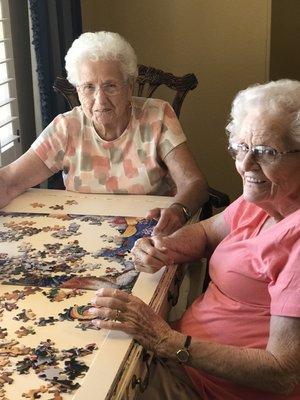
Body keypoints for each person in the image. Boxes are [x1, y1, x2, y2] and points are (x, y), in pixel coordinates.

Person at [89, 79, 300, 399]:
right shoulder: (262, 200)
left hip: (208, 388)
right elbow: (205, 233)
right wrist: (165, 246)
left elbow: (281, 373)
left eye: (266, 152)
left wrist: (166, 341)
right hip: (183, 359)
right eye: (242, 148)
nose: (245, 165)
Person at [0, 31, 208, 235]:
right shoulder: (65, 128)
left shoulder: (158, 116)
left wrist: (177, 211)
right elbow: (11, 179)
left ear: (129, 87)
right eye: (88, 87)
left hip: (151, 232)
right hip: (82, 236)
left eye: (110, 86)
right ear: (77, 90)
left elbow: (193, 183)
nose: (100, 101)